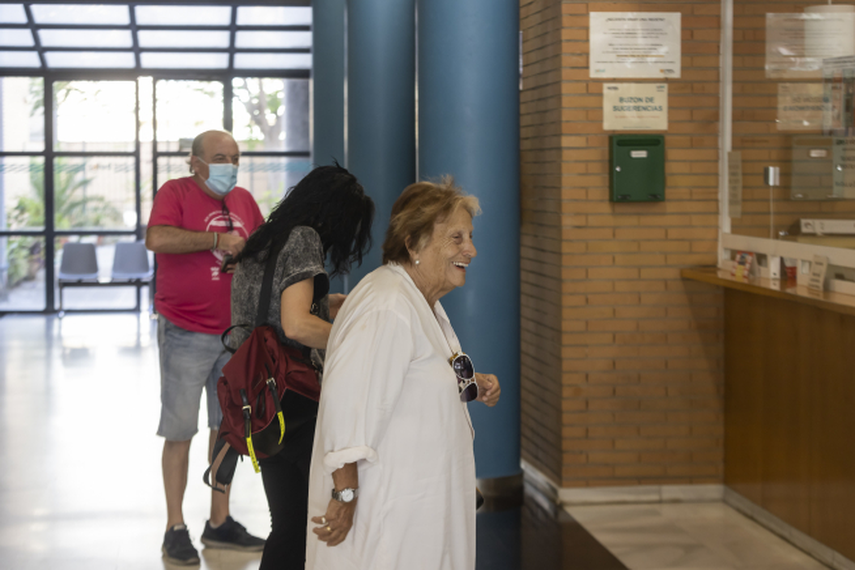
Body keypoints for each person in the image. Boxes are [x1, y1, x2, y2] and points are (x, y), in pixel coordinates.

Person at [305, 178, 502, 570]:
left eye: (470, 237)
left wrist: (468, 383)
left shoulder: (418, 300)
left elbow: (415, 374)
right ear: (413, 244)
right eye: (456, 238)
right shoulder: (388, 305)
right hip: (389, 513)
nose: (471, 250)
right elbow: (348, 405)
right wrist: (344, 496)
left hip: (417, 508)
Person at [229, 164, 375, 570]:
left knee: (289, 525)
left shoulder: (265, 237)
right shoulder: (304, 238)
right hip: (295, 400)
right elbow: (295, 326)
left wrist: (332, 304)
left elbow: (270, 312)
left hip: (259, 402)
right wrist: (361, 343)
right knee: (314, 522)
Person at [146, 130, 267, 565]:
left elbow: (263, 247)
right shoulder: (175, 193)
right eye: (220, 158)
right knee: (180, 431)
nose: (229, 166)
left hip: (234, 336)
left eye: (235, 158)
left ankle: (219, 521)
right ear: (194, 162)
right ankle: (174, 527)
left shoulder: (244, 201)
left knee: (227, 430)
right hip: (185, 331)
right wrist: (216, 240)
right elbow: (157, 238)